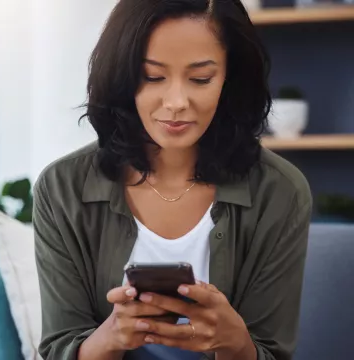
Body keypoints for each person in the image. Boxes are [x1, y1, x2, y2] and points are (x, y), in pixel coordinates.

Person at [33, 0, 312, 359]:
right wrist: (113, 336)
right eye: (152, 76)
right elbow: (58, 348)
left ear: (230, 78)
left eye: (200, 79)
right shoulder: (61, 189)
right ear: (122, 76)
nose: (177, 101)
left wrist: (236, 343)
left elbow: (272, 352)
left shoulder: (280, 192)